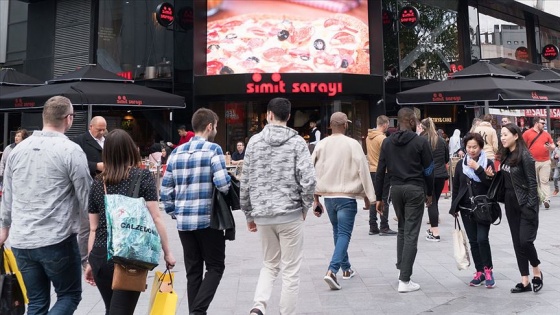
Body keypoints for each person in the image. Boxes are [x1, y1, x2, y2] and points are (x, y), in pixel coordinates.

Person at [0, 96, 91, 314]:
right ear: (69, 119)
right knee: (69, 295)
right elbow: (86, 197)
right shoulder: (71, 151)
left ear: (44, 117)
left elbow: (7, 196)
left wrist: (4, 228)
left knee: (37, 302)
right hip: (57, 238)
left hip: (21, 241)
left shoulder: (17, 151)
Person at [84, 129, 176, 314]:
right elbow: (156, 218)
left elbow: (93, 228)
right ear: (130, 150)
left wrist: (90, 261)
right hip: (130, 256)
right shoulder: (142, 178)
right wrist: (167, 252)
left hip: (101, 254)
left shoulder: (98, 182)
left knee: (113, 308)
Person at [241, 97, 316, 315]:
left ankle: (259, 305)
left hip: (263, 215)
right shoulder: (297, 142)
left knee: (269, 264)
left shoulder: (254, 142)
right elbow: (309, 180)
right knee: (291, 270)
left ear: (268, 115)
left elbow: (245, 181)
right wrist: (305, 207)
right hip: (290, 214)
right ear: (289, 117)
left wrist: (248, 214)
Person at [160, 108, 231, 315]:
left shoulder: (176, 153)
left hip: (184, 222)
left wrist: (175, 212)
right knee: (216, 267)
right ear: (209, 126)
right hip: (208, 220)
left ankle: (196, 312)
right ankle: (197, 312)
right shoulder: (213, 150)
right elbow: (223, 184)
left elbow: (165, 191)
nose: (216, 129)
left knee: (193, 272)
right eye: (216, 126)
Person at [311, 112, 375, 290]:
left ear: (331, 126)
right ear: (345, 125)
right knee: (344, 234)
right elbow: (363, 169)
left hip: (328, 197)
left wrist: (315, 199)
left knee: (338, 232)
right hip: (347, 196)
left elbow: (311, 171)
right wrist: (369, 198)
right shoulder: (353, 144)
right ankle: (332, 270)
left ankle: (346, 269)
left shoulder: (321, 144)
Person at [375, 107, 434, 293]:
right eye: (415, 121)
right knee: (411, 234)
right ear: (410, 121)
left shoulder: (387, 142)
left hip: (396, 189)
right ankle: (405, 279)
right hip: (415, 188)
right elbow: (429, 170)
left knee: (402, 229)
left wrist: (379, 197)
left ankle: (402, 269)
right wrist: (430, 192)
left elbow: (380, 170)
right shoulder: (420, 142)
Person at [499, 123, 543, 293]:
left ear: (515, 136)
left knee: (525, 241)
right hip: (511, 203)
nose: (502, 137)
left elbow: (533, 183)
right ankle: (524, 280)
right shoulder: (506, 154)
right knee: (517, 242)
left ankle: (536, 271)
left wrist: (530, 206)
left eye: (505, 134)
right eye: (501, 134)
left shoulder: (526, 156)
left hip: (525, 203)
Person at [449, 133, 496, 288]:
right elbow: (456, 187)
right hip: (465, 208)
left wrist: (478, 169)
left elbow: (491, 186)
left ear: (481, 147)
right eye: (469, 147)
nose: (471, 150)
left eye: (475, 147)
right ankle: (479, 271)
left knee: (482, 238)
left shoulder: (488, 162)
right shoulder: (461, 164)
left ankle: (488, 270)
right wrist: (454, 207)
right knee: (473, 241)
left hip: (483, 208)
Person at [73, 115, 107, 269]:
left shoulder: (107, 140)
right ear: (90, 127)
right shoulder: (79, 141)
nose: (101, 132)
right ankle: (85, 259)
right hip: (88, 186)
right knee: (87, 225)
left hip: (107, 185)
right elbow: (75, 162)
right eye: (99, 129)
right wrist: (96, 166)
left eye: (103, 129)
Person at [366, 115, 396, 236]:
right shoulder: (383, 139)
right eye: (388, 124)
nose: (388, 126)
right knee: (384, 199)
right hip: (383, 172)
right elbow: (388, 156)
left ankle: (373, 226)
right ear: (384, 124)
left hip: (372, 170)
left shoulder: (369, 137)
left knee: (374, 198)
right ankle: (384, 226)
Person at [420, 118, 449, 242]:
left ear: (422, 127)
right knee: (434, 200)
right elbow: (446, 158)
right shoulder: (441, 141)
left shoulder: (421, 140)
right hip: (441, 175)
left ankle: (435, 231)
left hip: (428, 175)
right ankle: (433, 228)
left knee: (431, 201)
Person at [522, 117, 555, 209]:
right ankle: (538, 198)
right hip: (532, 161)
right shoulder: (527, 133)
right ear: (536, 123)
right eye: (542, 123)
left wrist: (551, 148)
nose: (544, 125)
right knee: (534, 182)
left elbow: (552, 145)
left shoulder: (546, 134)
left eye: (544, 123)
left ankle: (546, 200)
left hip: (545, 161)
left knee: (544, 181)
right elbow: (522, 146)